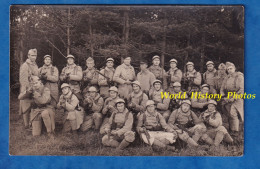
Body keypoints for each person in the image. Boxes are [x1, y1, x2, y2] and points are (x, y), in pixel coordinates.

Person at [220, 62, 244, 138]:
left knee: (234, 113)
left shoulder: (239, 76)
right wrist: (223, 96)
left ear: (234, 68)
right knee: (229, 114)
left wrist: (233, 98)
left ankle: (236, 132)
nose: (230, 70)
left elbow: (242, 89)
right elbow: (222, 88)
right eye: (228, 69)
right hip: (227, 97)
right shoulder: (226, 77)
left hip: (237, 97)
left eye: (231, 68)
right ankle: (231, 130)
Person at [19, 49, 39, 129]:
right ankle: (26, 125)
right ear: (28, 56)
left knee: (32, 106)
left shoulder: (35, 65)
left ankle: (31, 124)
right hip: (27, 89)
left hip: (34, 88)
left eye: (35, 56)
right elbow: (23, 80)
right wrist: (29, 89)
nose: (34, 57)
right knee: (26, 107)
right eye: (32, 55)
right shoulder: (25, 65)